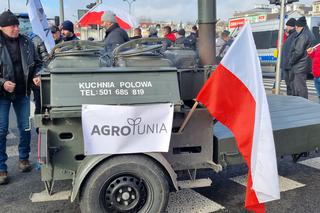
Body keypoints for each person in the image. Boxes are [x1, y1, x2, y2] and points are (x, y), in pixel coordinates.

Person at [0, 10, 42, 185]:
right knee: (1, 130)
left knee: (25, 127)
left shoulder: (26, 42)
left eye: (17, 25)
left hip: (22, 93)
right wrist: (2, 83)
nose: (16, 28)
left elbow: (38, 63)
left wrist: (38, 74)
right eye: (12, 26)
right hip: (2, 95)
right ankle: (1, 168)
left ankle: (24, 159)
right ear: (2, 27)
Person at [289, 16, 315, 99]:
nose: (295, 29)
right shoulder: (308, 33)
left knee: (300, 87)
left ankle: (303, 102)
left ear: (299, 26)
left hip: (300, 65)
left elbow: (298, 52)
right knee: (301, 85)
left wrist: (291, 61)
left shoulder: (303, 35)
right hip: (304, 64)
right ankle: (302, 101)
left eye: (296, 27)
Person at [281, 18, 297, 96]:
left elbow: (293, 51)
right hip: (287, 64)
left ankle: (292, 98)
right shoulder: (290, 36)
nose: (286, 28)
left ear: (291, 26)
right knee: (289, 85)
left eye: (287, 26)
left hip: (289, 65)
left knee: (291, 85)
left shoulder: (294, 36)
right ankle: (290, 96)